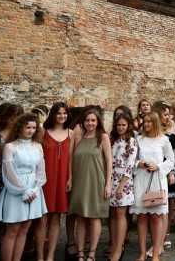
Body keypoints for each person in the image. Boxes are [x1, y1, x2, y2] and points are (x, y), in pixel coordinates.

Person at [0, 112, 47, 261]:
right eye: (28, 127)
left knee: (25, 229)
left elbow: (41, 170)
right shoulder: (10, 147)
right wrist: (24, 191)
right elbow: (9, 172)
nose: (31, 131)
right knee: (12, 230)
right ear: (20, 127)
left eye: (34, 128)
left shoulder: (38, 146)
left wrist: (35, 189)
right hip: (15, 190)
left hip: (34, 190)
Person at [68, 107, 113, 261]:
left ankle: (92, 253)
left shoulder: (103, 137)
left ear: (98, 121)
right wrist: (70, 178)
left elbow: (109, 162)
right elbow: (71, 159)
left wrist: (108, 184)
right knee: (80, 217)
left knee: (94, 218)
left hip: (96, 182)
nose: (90, 123)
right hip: (80, 182)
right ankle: (81, 253)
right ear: (83, 122)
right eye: (87, 120)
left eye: (93, 120)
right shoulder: (78, 137)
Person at [129, 112, 174, 261]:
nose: (146, 124)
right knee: (141, 217)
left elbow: (171, 160)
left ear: (155, 122)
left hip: (157, 181)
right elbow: (132, 159)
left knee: (156, 217)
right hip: (141, 180)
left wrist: (158, 166)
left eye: (149, 121)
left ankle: (155, 253)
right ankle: (142, 253)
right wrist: (139, 164)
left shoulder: (163, 140)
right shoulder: (138, 139)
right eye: (144, 121)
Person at [34, 101, 75, 261]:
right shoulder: (43, 132)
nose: (62, 116)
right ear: (53, 114)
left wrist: (70, 177)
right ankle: (40, 256)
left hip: (62, 178)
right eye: (59, 113)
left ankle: (50, 256)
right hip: (45, 179)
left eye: (64, 113)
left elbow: (71, 158)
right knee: (42, 218)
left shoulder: (71, 133)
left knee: (56, 217)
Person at [108, 110, 137, 261]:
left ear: (128, 125)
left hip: (124, 181)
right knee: (112, 214)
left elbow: (130, 165)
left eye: (123, 125)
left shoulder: (131, 141)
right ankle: (113, 246)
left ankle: (119, 249)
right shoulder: (112, 139)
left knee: (120, 214)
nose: (120, 127)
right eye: (118, 125)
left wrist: (121, 185)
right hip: (110, 179)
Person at [153, 101, 175, 250]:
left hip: (167, 170)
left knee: (166, 205)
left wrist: (172, 172)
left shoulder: (170, 130)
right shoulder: (151, 129)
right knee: (153, 204)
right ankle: (155, 238)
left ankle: (166, 234)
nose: (168, 117)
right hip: (153, 170)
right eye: (165, 115)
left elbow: (174, 153)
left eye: (169, 115)